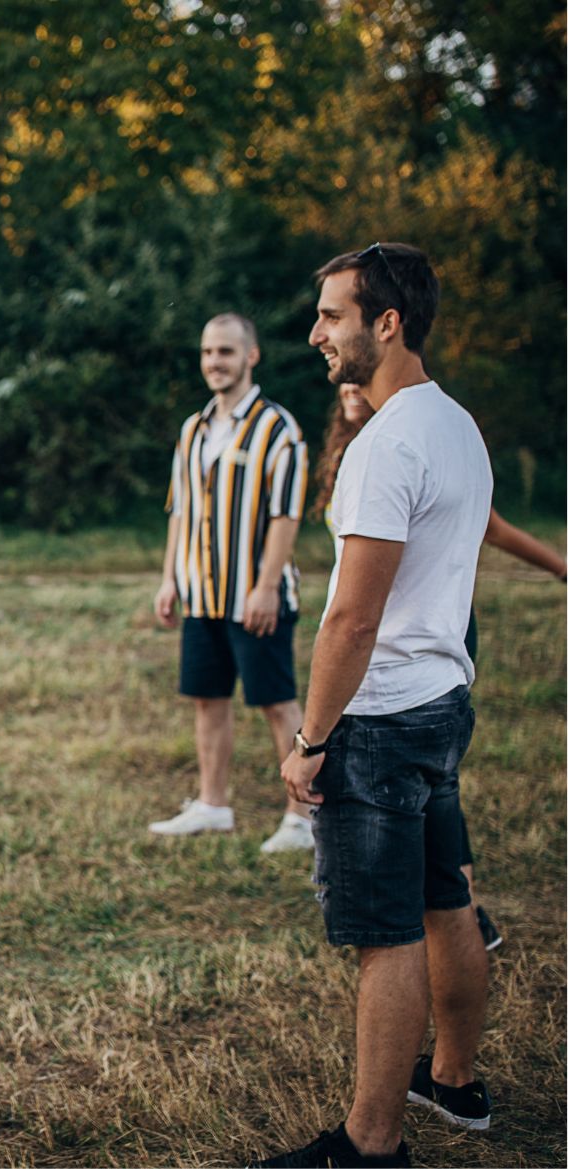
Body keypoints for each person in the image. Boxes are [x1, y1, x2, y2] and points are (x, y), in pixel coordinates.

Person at [256, 243, 493, 1169]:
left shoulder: (385, 443)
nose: (316, 333)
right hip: (441, 701)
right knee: (447, 899)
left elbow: (352, 619)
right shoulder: (456, 425)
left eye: (332, 315)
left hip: (383, 717)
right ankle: (457, 1080)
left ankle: (371, 1143)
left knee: (384, 934)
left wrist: (311, 739)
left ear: (385, 323)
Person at [316, 381, 566, 952]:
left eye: (358, 379)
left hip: (417, 642)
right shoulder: (359, 452)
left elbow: (493, 529)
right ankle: (453, 904)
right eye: (344, 387)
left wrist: (562, 569)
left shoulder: (406, 443)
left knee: (427, 787)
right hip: (382, 642)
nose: (350, 388)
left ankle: (461, 904)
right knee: (426, 788)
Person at [150, 314, 315, 853]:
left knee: (277, 703)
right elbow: (179, 511)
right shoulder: (193, 429)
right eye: (207, 352)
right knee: (207, 699)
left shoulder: (277, 428)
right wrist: (170, 576)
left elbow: (286, 515)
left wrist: (267, 587)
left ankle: (303, 818)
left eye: (225, 351)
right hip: (201, 594)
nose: (214, 362)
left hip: (253, 596)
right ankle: (213, 804)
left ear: (251, 356)